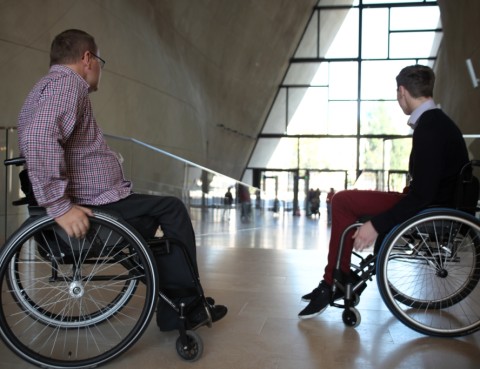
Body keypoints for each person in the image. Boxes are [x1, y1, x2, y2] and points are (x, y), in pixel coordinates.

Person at [17, 29, 227, 331]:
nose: (100, 67)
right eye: (100, 59)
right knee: (172, 210)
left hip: (98, 199)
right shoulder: (67, 86)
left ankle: (180, 302)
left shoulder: (44, 87)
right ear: (87, 58)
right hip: (94, 206)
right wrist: (60, 206)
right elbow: (39, 137)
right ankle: (182, 306)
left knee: (157, 224)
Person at [299, 64, 469, 319]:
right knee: (347, 200)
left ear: (402, 92)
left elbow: (422, 195)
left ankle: (334, 280)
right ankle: (334, 277)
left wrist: (376, 225)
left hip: (428, 208)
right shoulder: (439, 123)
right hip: (432, 204)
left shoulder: (430, 128)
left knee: (343, 201)